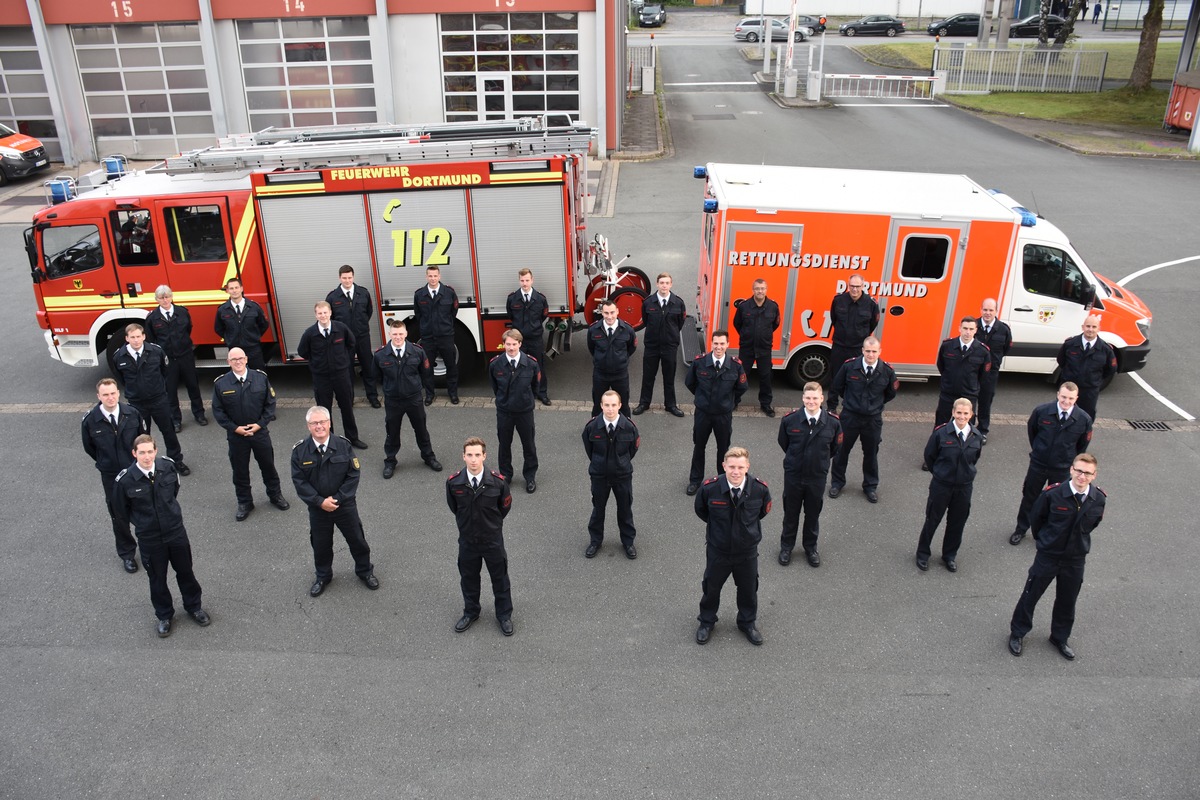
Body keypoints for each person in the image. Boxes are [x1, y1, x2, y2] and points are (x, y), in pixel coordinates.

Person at [1008, 453, 1106, 661]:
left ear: (1094, 475)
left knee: (1067, 600)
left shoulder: (1098, 499)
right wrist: (1046, 542)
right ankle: (1018, 632)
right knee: (1031, 593)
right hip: (1049, 555)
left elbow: (1092, 525)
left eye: (1087, 473)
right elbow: (1037, 520)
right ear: (1071, 470)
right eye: (1079, 471)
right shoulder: (1052, 494)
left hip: (1075, 558)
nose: (1082, 476)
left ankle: (1059, 637)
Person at [111, 435, 210, 638]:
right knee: (157, 579)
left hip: (175, 532)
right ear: (134, 454)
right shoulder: (125, 480)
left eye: (150, 451)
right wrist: (144, 523)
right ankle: (164, 615)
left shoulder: (167, 467)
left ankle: (194, 607)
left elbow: (174, 491)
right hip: (150, 538)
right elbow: (121, 511)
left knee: (186, 572)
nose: (146, 457)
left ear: (156, 451)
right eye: (142, 452)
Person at [290, 406, 378, 597]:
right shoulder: (299, 451)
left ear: (329, 423)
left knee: (357, 540)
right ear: (308, 426)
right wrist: (320, 502)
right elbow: (299, 482)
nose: (319, 426)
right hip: (318, 508)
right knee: (321, 545)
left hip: (344, 505)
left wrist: (337, 498)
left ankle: (365, 571)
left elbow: (353, 475)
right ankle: (323, 576)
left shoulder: (343, 445)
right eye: (315, 423)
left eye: (322, 422)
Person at [694, 446, 772, 647]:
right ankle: (706, 622)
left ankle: (747, 623)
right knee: (711, 588)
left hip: (746, 552)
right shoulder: (710, 488)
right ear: (723, 466)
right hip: (718, 550)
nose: (735, 472)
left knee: (748, 589)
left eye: (740, 467)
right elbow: (701, 510)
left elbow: (762, 512)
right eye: (731, 467)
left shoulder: (759, 489)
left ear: (747, 467)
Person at [210, 347, 290, 522]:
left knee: (268, 466)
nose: (237, 362)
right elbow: (218, 412)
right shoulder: (221, 384)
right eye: (233, 360)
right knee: (240, 471)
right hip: (237, 436)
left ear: (246, 359)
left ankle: (275, 495)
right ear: (228, 362)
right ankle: (245, 502)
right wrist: (234, 428)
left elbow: (270, 405)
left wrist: (259, 425)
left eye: (240, 358)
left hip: (259, 433)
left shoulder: (260, 378)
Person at [1009, 382, 1093, 546]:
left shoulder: (1083, 419)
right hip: (1039, 464)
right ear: (1057, 394)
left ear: (1076, 398)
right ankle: (1021, 529)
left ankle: (1047, 532)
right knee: (1029, 497)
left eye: (1070, 398)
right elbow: (1032, 431)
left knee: (1057, 502)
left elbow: (1082, 445)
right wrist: (1040, 450)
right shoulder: (1042, 411)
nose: (1066, 401)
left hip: (1061, 468)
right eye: (1063, 397)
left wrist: (1068, 459)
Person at [446, 436, 514, 636]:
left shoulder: (498, 483)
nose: (473, 459)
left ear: (484, 456)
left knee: (500, 579)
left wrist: (491, 526)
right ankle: (471, 612)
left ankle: (504, 615)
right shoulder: (453, 483)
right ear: (463, 457)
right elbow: (454, 507)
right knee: (468, 578)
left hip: (492, 540)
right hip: (468, 541)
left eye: (477, 455)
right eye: (469, 455)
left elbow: (505, 507)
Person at [81, 378, 148, 574]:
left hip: (134, 472)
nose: (110, 398)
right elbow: (90, 448)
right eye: (105, 395)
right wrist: (106, 462)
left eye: (113, 393)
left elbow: (142, 440)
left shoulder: (132, 414)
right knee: (119, 516)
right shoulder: (90, 421)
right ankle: (127, 554)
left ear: (118, 393)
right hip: (111, 476)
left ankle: (148, 550)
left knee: (143, 510)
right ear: (98, 397)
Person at [777, 383, 842, 568]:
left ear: (822, 399)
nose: (811, 401)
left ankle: (810, 548)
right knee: (791, 514)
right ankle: (786, 547)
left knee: (813, 515)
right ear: (803, 398)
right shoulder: (790, 420)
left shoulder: (833, 423)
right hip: (794, 476)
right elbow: (784, 442)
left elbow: (835, 448)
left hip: (816, 477)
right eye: (808, 398)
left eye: (815, 398)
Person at [112, 323, 189, 475]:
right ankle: (143, 466)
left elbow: (165, 372)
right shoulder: (119, 356)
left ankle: (176, 461)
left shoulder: (156, 351)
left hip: (158, 400)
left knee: (169, 431)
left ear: (144, 336)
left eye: (138, 336)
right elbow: (121, 378)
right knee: (140, 437)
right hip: (137, 403)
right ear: (127, 338)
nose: (136, 340)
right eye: (132, 337)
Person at [915, 398, 983, 573]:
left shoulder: (976, 436)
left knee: (957, 523)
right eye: (958, 413)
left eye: (965, 413)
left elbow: (974, 459)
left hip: (964, 487)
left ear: (971, 415)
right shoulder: (940, 433)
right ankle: (923, 554)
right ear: (953, 413)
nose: (962, 416)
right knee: (932, 519)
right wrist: (940, 474)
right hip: (942, 486)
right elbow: (930, 457)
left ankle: (949, 556)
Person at [828, 336, 898, 503]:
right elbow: (836, 387)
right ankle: (837, 483)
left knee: (871, 454)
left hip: (872, 420)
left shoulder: (887, 371)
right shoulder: (849, 366)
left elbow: (890, 393)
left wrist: (875, 405)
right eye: (868, 351)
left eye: (874, 351)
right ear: (862, 350)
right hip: (850, 417)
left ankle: (870, 486)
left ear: (880, 352)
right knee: (841, 451)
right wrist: (832, 409)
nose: (871, 355)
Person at [372, 318, 442, 478]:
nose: (397, 337)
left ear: (406, 333)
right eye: (394, 334)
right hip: (393, 400)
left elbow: (425, 373)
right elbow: (376, 376)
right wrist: (390, 388)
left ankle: (429, 457)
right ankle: (390, 461)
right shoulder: (380, 355)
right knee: (392, 432)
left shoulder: (417, 351)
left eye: (400, 334)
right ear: (389, 334)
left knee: (421, 430)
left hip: (413, 399)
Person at [296, 301, 368, 450]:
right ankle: (329, 440)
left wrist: (343, 360)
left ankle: (352, 438)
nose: (323, 315)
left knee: (347, 407)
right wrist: (317, 363)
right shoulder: (310, 333)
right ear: (316, 315)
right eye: (319, 313)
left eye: (325, 312)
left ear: (330, 313)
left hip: (341, 375)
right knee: (324, 411)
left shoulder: (341, 329)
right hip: (321, 378)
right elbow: (303, 351)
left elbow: (351, 343)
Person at [684, 330, 747, 496]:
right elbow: (690, 383)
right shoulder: (700, 362)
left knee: (723, 449)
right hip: (703, 413)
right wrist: (701, 399)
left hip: (723, 415)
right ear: (711, 344)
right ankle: (695, 481)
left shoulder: (735, 365)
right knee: (699, 446)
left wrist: (731, 403)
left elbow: (741, 388)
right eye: (716, 343)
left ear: (727, 344)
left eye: (722, 344)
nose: (718, 347)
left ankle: (723, 482)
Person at [582, 390, 640, 560]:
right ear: (601, 406)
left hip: (622, 475)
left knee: (625, 509)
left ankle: (628, 542)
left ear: (620, 406)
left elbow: (633, 449)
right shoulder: (592, 427)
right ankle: (595, 541)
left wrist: (621, 462)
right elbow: (589, 449)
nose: (610, 409)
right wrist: (600, 463)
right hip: (599, 475)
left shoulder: (629, 427)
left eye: (614, 405)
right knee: (598, 509)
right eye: (606, 405)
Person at [144, 285, 207, 431]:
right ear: (157, 299)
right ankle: (176, 420)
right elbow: (152, 338)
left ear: (171, 297)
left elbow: (188, 329)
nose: (165, 300)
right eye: (161, 298)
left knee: (193, 386)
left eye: (167, 297)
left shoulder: (182, 312)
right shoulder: (152, 318)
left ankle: (199, 414)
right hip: (167, 360)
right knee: (170, 391)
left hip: (185, 355)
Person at [489, 329, 540, 493]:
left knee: (529, 445)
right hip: (505, 411)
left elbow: (535, 386)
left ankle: (530, 476)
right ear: (503, 344)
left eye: (514, 344)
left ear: (520, 344)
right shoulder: (495, 364)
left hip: (524, 411)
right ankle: (505, 475)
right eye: (508, 344)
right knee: (504, 445)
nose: (511, 348)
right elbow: (495, 387)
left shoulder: (531, 363)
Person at [326, 265, 381, 409]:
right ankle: (348, 399)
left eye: (349, 277)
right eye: (344, 278)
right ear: (339, 278)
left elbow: (368, 312)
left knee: (368, 368)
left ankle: (373, 397)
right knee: (346, 370)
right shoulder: (333, 297)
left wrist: (360, 326)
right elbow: (330, 318)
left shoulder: (363, 293)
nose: (347, 280)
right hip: (343, 340)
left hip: (362, 336)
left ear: (353, 277)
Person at [634, 272, 687, 417]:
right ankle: (644, 403)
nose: (664, 285)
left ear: (671, 284)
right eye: (661, 282)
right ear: (657, 284)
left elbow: (679, 323)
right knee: (648, 376)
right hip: (652, 346)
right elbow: (646, 320)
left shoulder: (678, 303)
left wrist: (671, 336)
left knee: (669, 377)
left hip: (669, 347)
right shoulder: (648, 302)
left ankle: (670, 405)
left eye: (667, 283)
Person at [826, 276, 880, 414]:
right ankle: (831, 406)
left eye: (858, 286)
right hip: (840, 345)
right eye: (852, 286)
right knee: (835, 377)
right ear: (848, 286)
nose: (854, 289)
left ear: (863, 286)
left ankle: (850, 405)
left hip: (857, 348)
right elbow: (834, 319)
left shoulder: (871, 303)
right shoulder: (839, 300)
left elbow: (872, 324)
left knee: (856, 378)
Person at [732, 278, 781, 417]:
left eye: (763, 288)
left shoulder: (773, 306)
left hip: (764, 349)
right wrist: (747, 336)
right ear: (753, 290)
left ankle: (766, 405)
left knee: (766, 377)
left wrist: (763, 336)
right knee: (741, 376)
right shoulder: (744, 306)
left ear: (766, 289)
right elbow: (737, 324)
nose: (760, 291)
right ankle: (734, 401)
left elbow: (775, 325)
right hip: (747, 348)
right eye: (757, 288)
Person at [932, 317, 991, 430]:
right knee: (940, 424)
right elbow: (941, 365)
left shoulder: (982, 351)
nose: (967, 332)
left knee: (966, 427)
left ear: (975, 330)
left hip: (968, 394)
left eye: (971, 329)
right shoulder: (947, 346)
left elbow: (984, 375)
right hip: (948, 392)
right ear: (959, 329)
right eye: (965, 328)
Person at [1056, 314, 1117, 422]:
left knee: (1085, 419)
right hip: (1069, 388)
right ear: (1082, 327)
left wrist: (1095, 380)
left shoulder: (1105, 349)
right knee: (1062, 416)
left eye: (1094, 327)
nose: (1090, 329)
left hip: (1089, 391)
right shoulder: (1070, 344)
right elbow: (1061, 361)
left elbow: (1110, 369)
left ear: (1099, 329)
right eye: (1088, 326)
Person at [413, 265, 460, 405]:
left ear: (439, 276)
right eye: (430, 276)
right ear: (426, 277)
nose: (433, 278)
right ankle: (429, 394)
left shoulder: (449, 293)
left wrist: (445, 325)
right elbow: (418, 315)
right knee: (427, 368)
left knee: (451, 366)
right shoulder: (419, 295)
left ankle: (453, 394)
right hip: (428, 338)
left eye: (435, 276)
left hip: (445, 336)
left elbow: (454, 312)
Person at [505, 268, 552, 406]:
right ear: (519, 281)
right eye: (522, 280)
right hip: (518, 340)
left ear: (532, 280)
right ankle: (522, 394)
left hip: (535, 338)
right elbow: (510, 315)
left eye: (527, 280)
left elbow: (543, 315)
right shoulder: (512, 298)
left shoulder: (540, 299)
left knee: (539, 366)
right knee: (518, 368)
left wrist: (533, 327)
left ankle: (542, 393)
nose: (525, 283)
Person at [587, 299, 637, 417]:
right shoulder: (593, 330)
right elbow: (591, 348)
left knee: (623, 404)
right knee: (598, 404)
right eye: (606, 313)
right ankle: (597, 430)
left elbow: (631, 348)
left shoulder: (627, 330)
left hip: (620, 374)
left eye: (612, 312)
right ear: (602, 313)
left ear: (617, 312)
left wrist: (621, 359)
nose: (609, 316)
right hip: (600, 374)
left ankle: (625, 430)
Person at [974, 298, 1012, 443]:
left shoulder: (1003, 329)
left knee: (985, 401)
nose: (988, 313)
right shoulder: (974, 326)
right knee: (970, 401)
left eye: (991, 310)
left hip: (990, 373)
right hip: (973, 370)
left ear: (996, 311)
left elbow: (1006, 348)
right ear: (981, 310)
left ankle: (982, 431)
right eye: (985, 310)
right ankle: (968, 428)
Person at [214, 277, 271, 371]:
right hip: (235, 351)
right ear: (227, 290)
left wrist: (253, 336)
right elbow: (218, 328)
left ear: (241, 288)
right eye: (231, 288)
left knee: (259, 375)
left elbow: (263, 324)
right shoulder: (222, 310)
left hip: (253, 349)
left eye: (236, 287)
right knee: (238, 377)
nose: (234, 291)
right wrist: (230, 338)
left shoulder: (253, 307)